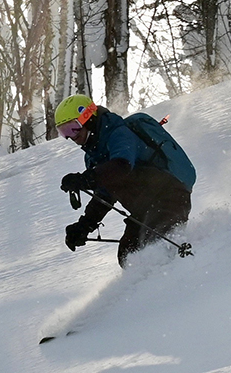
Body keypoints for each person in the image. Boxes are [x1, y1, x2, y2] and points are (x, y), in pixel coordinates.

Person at [53, 94, 194, 267]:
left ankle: (193, 270)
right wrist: (84, 226)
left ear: (88, 119)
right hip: (144, 211)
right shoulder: (93, 156)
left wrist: (87, 178)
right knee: (128, 256)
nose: (70, 137)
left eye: (72, 128)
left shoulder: (119, 133)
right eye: (63, 132)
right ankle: (149, 290)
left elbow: (121, 167)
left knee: (157, 246)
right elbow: (105, 195)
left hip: (169, 197)